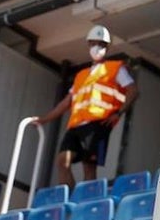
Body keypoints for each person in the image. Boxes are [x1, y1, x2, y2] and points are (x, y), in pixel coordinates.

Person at [33, 25, 138, 189]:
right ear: (89, 44)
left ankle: (87, 204)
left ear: (107, 47)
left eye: (102, 44)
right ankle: (70, 201)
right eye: (94, 43)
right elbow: (66, 102)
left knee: (89, 166)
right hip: (76, 125)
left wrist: (119, 112)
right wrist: (44, 119)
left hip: (98, 123)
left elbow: (133, 90)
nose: (97, 47)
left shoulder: (115, 68)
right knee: (63, 161)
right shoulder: (81, 75)